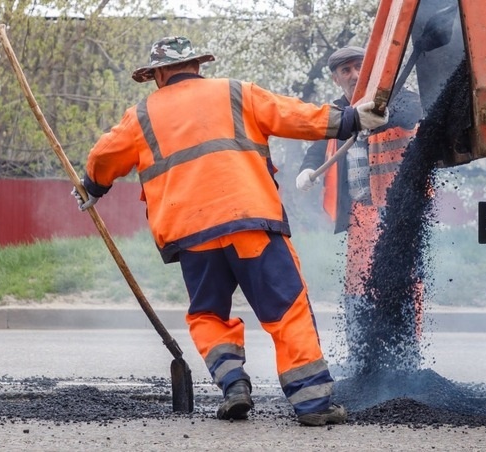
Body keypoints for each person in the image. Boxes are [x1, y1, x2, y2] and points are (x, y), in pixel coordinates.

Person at [71, 36, 388, 426]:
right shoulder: (235, 92)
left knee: (208, 313)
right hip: (249, 221)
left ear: (157, 75)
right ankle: (313, 404)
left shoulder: (141, 115)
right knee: (286, 309)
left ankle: (233, 384)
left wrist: (92, 186)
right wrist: (351, 119)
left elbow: (105, 157)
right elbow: (294, 115)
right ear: (197, 66)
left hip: (191, 236)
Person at [295, 46, 424, 368]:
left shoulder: (399, 98)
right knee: (358, 284)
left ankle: (406, 357)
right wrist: (307, 170)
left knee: (405, 282)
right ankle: (362, 358)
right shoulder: (337, 113)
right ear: (336, 78)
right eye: (345, 71)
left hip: (398, 212)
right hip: (361, 212)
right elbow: (317, 141)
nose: (353, 75)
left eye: (358, 68)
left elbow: (412, 114)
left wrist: (375, 114)